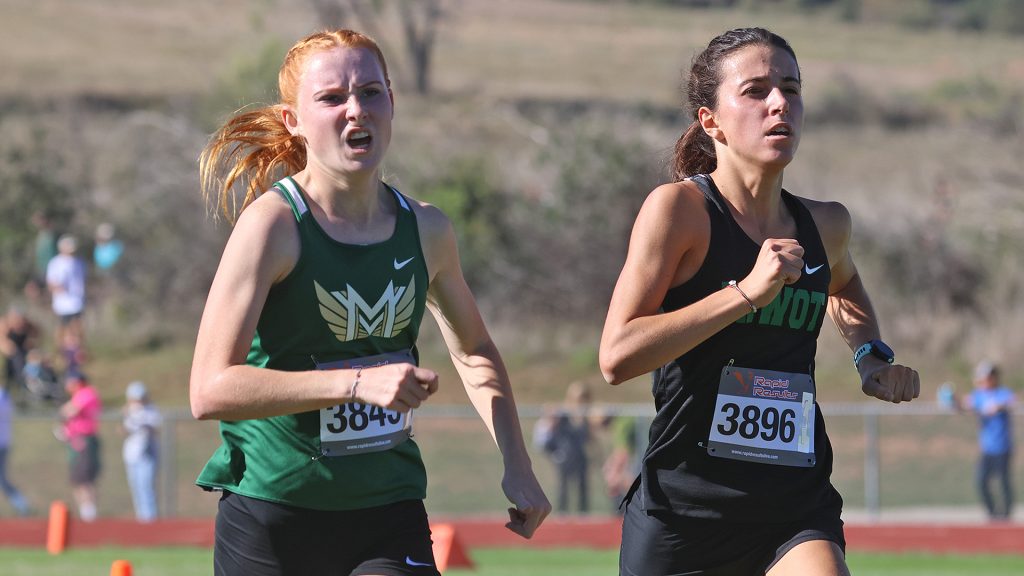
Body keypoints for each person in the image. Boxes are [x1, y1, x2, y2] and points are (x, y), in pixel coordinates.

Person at [190, 28, 550, 575]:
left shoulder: (426, 228)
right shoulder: (273, 227)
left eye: (371, 92)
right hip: (273, 511)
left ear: (392, 102)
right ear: (294, 121)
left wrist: (517, 462)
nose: (356, 110)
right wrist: (357, 384)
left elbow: (474, 348)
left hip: (388, 508)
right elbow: (210, 388)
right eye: (332, 98)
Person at [599, 28, 921, 576]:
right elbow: (617, 355)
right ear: (711, 121)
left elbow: (845, 289)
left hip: (793, 507)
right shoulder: (680, 213)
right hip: (685, 510)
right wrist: (746, 293)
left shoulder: (826, 225)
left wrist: (871, 358)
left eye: (791, 89)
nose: (780, 104)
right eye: (755, 91)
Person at [959, 360, 1015, 521]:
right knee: (981, 481)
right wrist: (953, 402)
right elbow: (965, 405)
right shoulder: (978, 395)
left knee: (1003, 481)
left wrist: (999, 406)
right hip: (987, 448)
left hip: (1003, 447)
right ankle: (992, 513)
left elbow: (1011, 401)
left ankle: (1006, 514)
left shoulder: (1002, 393)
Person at [533, 381, 593, 514]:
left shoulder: (586, 415)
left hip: (580, 456)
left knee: (582, 487)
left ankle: (583, 514)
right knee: (563, 487)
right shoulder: (562, 413)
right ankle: (562, 514)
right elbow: (547, 423)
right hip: (564, 455)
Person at [58, 372, 102, 521]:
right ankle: (85, 512)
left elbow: (70, 410)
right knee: (76, 479)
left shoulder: (87, 393)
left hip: (84, 440)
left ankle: (89, 514)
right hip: (74, 441)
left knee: (84, 479)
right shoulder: (76, 395)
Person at [121, 381, 161, 522]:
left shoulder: (151, 411)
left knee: (147, 487)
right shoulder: (129, 412)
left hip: (147, 454)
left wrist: (144, 425)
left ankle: (150, 518)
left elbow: (155, 429)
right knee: (136, 488)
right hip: (132, 455)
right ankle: (141, 519)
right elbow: (123, 431)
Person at [45, 234, 87, 351]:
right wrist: (57, 288)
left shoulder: (79, 262)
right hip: (63, 303)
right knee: (62, 329)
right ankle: (60, 351)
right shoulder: (55, 263)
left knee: (78, 327)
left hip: (77, 301)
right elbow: (51, 282)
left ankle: (78, 352)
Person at [0, 386, 31, 516]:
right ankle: (21, 504)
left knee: (2, 479)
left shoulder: (3, 395)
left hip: (2, 444)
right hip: (4, 443)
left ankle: (22, 504)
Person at [0, 305, 40, 395]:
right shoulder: (5, 324)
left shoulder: (27, 324)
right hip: (10, 352)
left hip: (23, 351)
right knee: (16, 357)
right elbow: (2, 341)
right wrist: (8, 347)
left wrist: (31, 343)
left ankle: (27, 386)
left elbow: (36, 335)